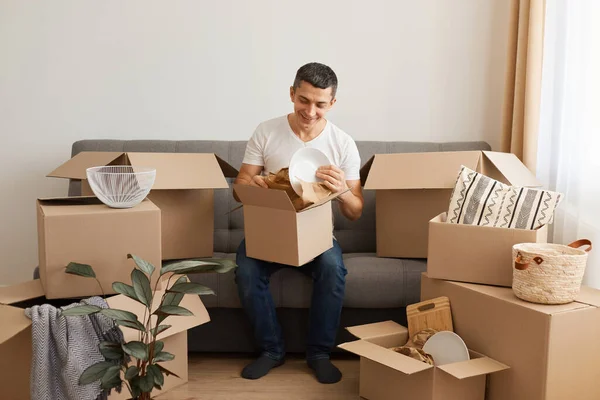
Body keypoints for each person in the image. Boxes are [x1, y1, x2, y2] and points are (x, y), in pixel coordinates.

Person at [233, 62, 364, 384]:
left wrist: (343, 191)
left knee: (333, 270)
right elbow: (240, 189)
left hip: (317, 235)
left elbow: (355, 211)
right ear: (292, 94)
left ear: (332, 103)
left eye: (320, 104)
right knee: (247, 270)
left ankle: (319, 353)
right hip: (271, 229)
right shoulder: (267, 130)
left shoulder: (342, 143)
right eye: (304, 100)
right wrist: (256, 185)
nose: (310, 111)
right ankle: (271, 351)